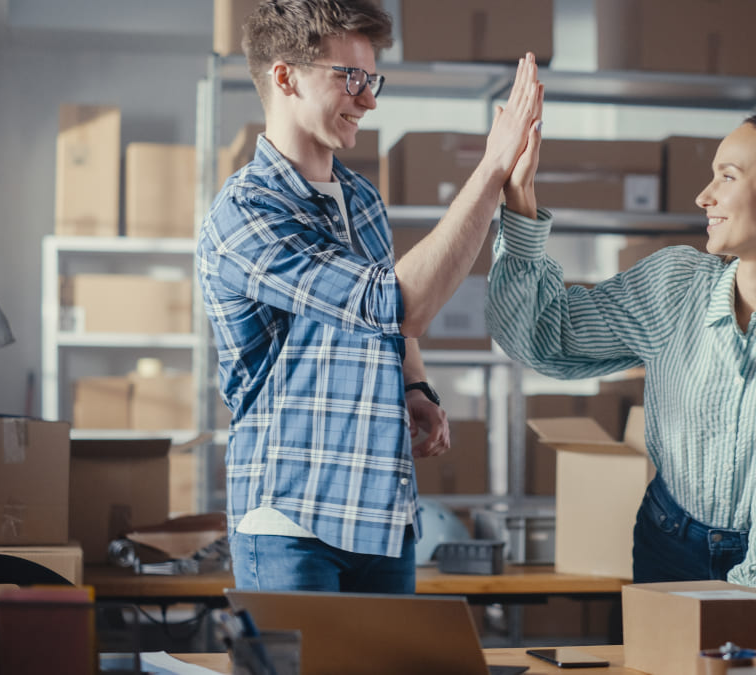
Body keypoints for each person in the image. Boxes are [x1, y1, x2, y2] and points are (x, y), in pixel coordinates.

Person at [197, 0, 543, 593]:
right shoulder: (245, 216)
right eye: (349, 77)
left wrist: (415, 387)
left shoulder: (360, 199)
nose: (369, 98)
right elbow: (399, 302)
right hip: (291, 526)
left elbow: (393, 329)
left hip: (381, 515)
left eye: (371, 78)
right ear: (285, 77)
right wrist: (490, 170)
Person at [486, 112, 756, 592]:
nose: (704, 196)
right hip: (669, 547)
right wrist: (520, 202)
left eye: (727, 176)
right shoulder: (676, 285)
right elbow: (541, 333)